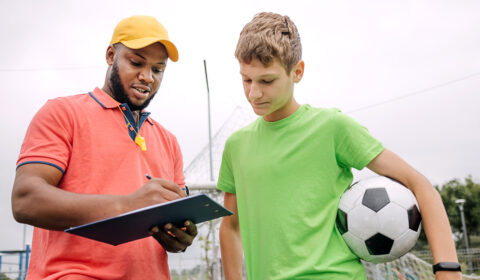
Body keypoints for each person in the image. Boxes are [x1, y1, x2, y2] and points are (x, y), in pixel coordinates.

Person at [218, 12, 461, 280]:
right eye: (246, 79)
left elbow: (420, 185)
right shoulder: (236, 146)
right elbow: (231, 226)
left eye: (266, 81)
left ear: (297, 72)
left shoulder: (332, 127)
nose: (254, 92)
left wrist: (447, 271)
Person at [11, 15, 197, 280]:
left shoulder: (168, 140)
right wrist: (128, 205)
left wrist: (178, 235)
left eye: (158, 69)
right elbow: (25, 201)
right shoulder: (63, 113)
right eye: (136, 62)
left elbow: (169, 224)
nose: (147, 77)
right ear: (111, 55)